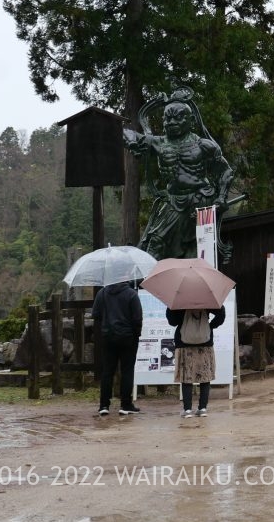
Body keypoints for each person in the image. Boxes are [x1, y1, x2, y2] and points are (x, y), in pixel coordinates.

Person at [124, 89, 234, 261]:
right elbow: (127, 132)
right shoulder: (159, 142)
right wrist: (131, 141)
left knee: (199, 249)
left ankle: (197, 276)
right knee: (156, 242)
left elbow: (226, 171)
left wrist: (221, 197)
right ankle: (150, 277)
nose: (172, 122)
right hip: (174, 201)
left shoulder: (204, 145)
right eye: (167, 118)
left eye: (178, 118)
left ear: (191, 120)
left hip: (201, 199)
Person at [91, 281, 143, 415]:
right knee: (127, 370)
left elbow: (96, 314)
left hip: (108, 337)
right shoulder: (131, 294)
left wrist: (105, 326)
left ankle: (104, 405)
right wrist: (136, 334)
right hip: (128, 337)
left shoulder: (102, 293)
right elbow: (137, 318)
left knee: (107, 371)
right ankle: (125, 404)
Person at [167, 305, 226, 417]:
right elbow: (221, 313)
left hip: (184, 343)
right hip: (205, 342)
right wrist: (210, 326)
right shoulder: (207, 300)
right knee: (204, 376)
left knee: (186, 376)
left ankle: (187, 410)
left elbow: (172, 322)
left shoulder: (180, 300)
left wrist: (171, 309)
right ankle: (202, 408)